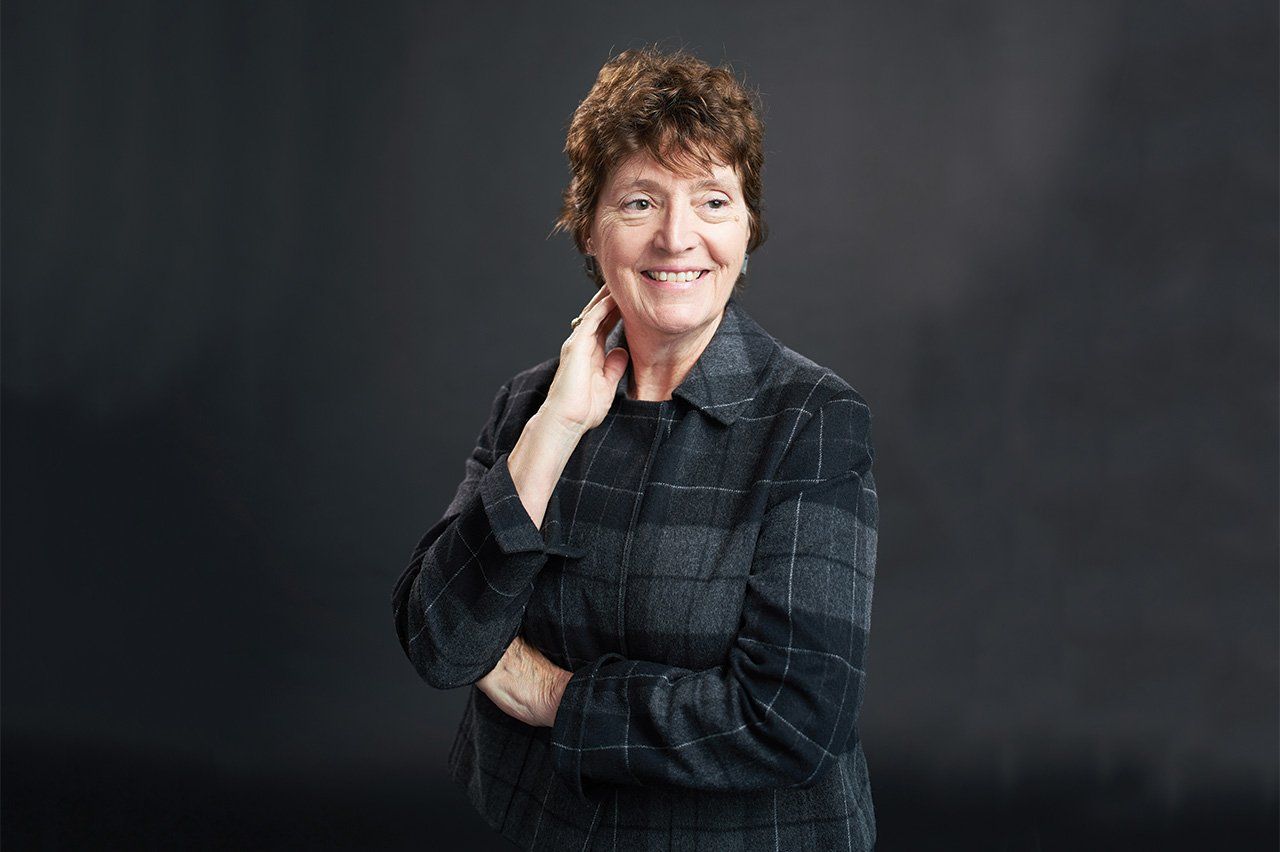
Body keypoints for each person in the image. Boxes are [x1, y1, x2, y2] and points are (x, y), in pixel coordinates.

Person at [391, 44, 879, 850]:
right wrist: (556, 429)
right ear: (589, 225)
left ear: (748, 227)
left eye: (714, 202)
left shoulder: (813, 422)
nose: (678, 238)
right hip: (545, 828)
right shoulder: (527, 405)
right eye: (642, 201)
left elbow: (791, 719)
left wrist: (552, 694)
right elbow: (441, 642)